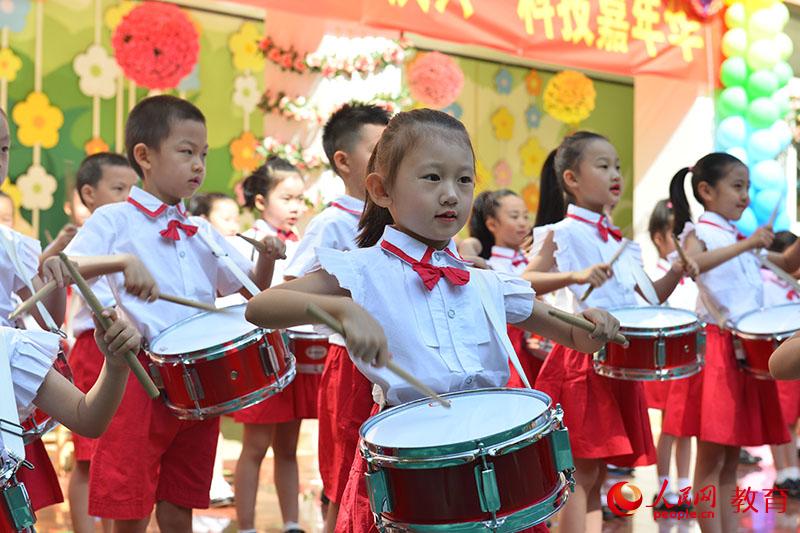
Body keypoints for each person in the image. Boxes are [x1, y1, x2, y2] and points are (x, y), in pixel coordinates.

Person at [244, 109, 622, 533]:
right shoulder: (363, 269)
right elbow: (260, 307)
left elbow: (572, 333)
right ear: (381, 190)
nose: (451, 195)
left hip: (489, 464)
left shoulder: (484, 281)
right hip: (412, 471)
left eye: (464, 180)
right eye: (432, 178)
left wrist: (594, 325)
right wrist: (344, 310)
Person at [63, 95, 284, 532]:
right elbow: (66, 268)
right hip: (138, 374)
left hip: (198, 384)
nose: (198, 164)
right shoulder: (115, 220)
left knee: (181, 499)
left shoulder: (201, 230)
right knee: (130, 505)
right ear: (144, 156)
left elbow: (253, 290)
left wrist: (270, 258)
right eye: (186, 152)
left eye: (203, 154)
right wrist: (122, 262)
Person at [526, 131, 697, 533]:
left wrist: (676, 270)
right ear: (571, 179)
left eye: (617, 166)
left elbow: (651, 299)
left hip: (620, 362)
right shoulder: (561, 233)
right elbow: (524, 282)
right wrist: (575, 274)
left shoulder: (622, 243)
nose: (615, 173)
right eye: (602, 166)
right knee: (580, 476)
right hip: (580, 360)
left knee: (597, 475)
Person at [667, 152, 800, 532]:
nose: (745, 196)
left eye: (748, 188)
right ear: (706, 191)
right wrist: (747, 246)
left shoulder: (737, 236)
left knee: (728, 459)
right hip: (716, 347)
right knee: (711, 458)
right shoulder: (701, 231)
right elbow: (692, 265)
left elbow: (788, 263)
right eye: (737, 186)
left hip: (741, 348)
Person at [282, 102, 389, 532]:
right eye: (379, 150)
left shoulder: (399, 218)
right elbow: (292, 288)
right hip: (352, 363)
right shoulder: (331, 223)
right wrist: (344, 311)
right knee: (347, 471)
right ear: (343, 161)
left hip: (398, 362)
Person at [230, 158, 310, 533]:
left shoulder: (303, 242)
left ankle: (292, 523)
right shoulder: (246, 241)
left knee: (289, 446)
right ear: (261, 201)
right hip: (260, 355)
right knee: (255, 445)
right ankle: (245, 525)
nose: (296, 207)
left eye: (300, 199)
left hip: (291, 351)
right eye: (287, 198)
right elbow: (247, 298)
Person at [64, 152, 138, 533]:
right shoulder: (91, 236)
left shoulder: (129, 234)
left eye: (134, 190)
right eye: (119, 189)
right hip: (94, 350)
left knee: (117, 455)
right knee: (89, 456)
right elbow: (66, 269)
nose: (129, 198)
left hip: (122, 349)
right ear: (89, 194)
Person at [642, 199, 697, 511]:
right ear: (659, 238)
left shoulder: (691, 273)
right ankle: (664, 489)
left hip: (690, 357)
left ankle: (684, 488)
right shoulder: (658, 273)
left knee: (685, 427)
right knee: (670, 428)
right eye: (673, 234)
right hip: (668, 359)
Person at [468, 189, 544, 384]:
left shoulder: (534, 260)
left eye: (525, 216)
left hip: (543, 350)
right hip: (515, 355)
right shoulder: (491, 268)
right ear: (492, 224)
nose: (523, 222)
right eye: (514, 216)